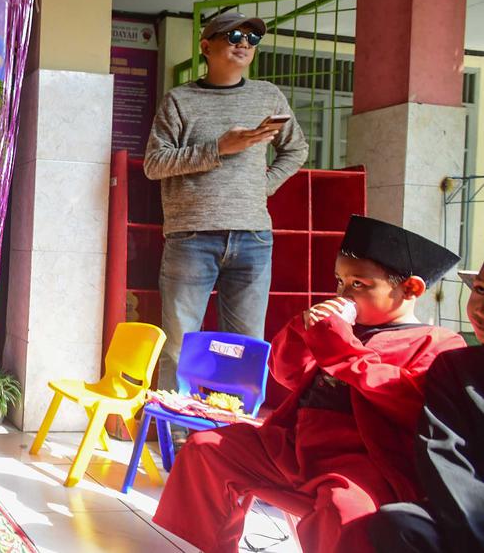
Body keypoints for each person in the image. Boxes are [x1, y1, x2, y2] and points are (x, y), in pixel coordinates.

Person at [151, 215, 467, 553]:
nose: (344, 294)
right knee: (206, 449)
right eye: (339, 282)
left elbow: (409, 403)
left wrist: (343, 348)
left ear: (411, 288)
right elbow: (287, 375)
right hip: (291, 446)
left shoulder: (438, 343)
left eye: (358, 284)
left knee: (346, 511)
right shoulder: (345, 330)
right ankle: (214, 546)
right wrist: (302, 331)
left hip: (360, 463)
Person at [143, 12, 308, 394]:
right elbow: (154, 164)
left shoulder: (267, 95)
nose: (243, 43)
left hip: (253, 235)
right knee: (180, 344)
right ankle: (178, 431)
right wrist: (219, 148)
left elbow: (295, 149)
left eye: (252, 39)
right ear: (206, 46)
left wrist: (262, 185)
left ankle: (229, 433)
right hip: (191, 236)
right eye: (233, 35)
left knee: (246, 345)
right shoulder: (179, 100)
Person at [368, 267, 484, 551]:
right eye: (480, 290)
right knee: (401, 525)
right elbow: (446, 456)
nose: (480, 310)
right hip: (476, 519)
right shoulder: (456, 369)